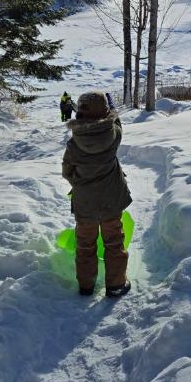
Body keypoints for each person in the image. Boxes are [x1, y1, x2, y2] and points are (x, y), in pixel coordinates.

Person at [61, 90, 132, 298]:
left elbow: (67, 172)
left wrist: (81, 185)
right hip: (111, 201)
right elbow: (118, 125)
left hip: (85, 204)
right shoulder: (113, 136)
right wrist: (114, 112)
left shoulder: (73, 144)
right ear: (105, 112)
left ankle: (86, 285)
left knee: (85, 244)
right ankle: (116, 285)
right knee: (114, 242)